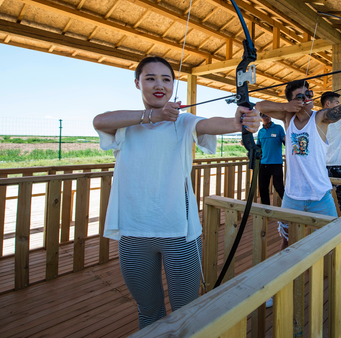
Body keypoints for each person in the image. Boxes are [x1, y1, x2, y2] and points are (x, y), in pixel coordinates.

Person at [92, 56, 260, 329]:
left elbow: (214, 124)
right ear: (138, 83)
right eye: (150, 78)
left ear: (173, 85)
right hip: (134, 233)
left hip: (178, 235)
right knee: (148, 312)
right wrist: (152, 115)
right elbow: (99, 120)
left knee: (187, 314)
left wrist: (240, 121)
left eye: (166, 79)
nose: (159, 85)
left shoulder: (183, 123)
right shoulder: (125, 124)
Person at [256, 75, 341, 251]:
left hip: (320, 195)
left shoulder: (320, 117)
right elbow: (259, 106)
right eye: (300, 96)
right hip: (292, 196)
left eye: (309, 93)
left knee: (335, 241)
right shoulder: (287, 118)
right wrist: (286, 107)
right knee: (286, 241)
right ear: (292, 102)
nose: (307, 98)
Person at [256, 113, 285, 205]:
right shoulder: (260, 132)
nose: (266, 117)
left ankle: (289, 206)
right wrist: (246, 144)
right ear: (261, 118)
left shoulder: (278, 128)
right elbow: (258, 147)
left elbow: (286, 142)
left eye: (268, 115)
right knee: (262, 187)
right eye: (264, 116)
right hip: (263, 163)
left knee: (279, 187)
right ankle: (266, 209)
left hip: (276, 163)